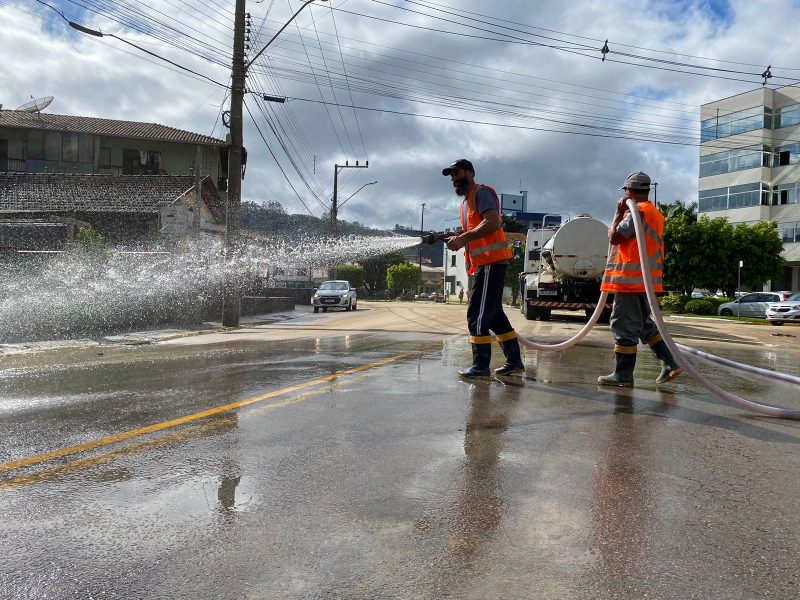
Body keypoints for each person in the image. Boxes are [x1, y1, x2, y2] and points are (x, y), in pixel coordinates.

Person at [441, 159, 526, 379]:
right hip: (484, 264)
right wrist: (456, 236)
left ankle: (480, 366)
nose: (454, 178)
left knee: (476, 313)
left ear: (470, 173)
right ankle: (514, 362)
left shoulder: (482, 193)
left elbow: (493, 222)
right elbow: (473, 229)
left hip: (491, 262)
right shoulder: (466, 203)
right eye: (451, 175)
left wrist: (463, 239)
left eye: (457, 173)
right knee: (495, 316)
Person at [598, 171, 682, 387]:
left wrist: (618, 213)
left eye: (625, 191)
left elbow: (615, 237)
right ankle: (669, 363)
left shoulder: (638, 212)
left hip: (630, 280)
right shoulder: (654, 212)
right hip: (645, 281)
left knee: (623, 325)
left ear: (629, 191)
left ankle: (623, 375)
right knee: (643, 324)